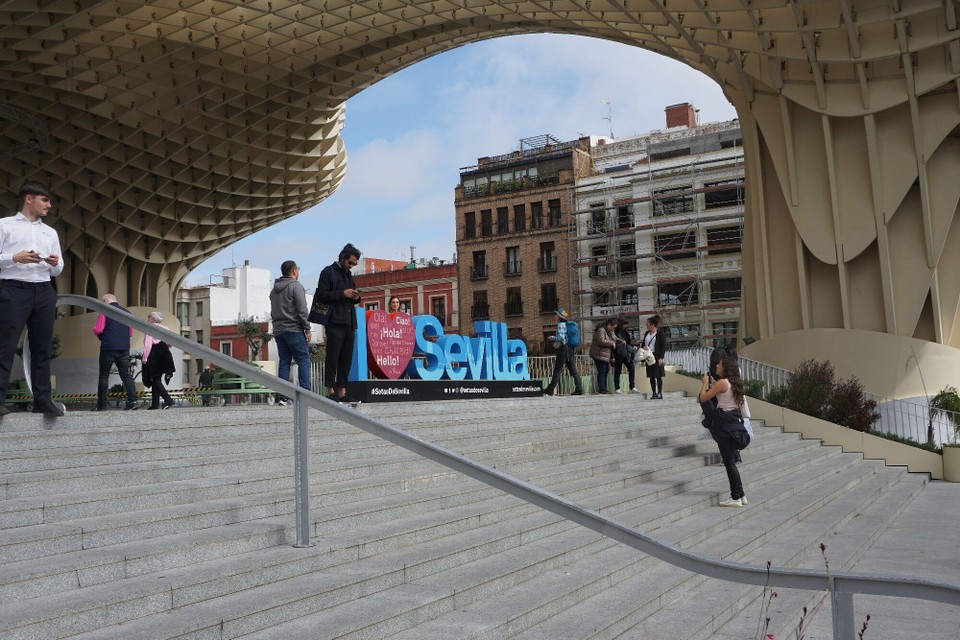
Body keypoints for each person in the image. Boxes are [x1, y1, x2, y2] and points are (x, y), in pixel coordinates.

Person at [0, 181, 64, 418]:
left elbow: (60, 269)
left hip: (44, 290)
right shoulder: (4, 226)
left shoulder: (50, 232)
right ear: (29, 199)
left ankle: (42, 400)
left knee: (42, 349)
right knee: (4, 346)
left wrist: (55, 264)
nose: (49, 205)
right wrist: (13, 258)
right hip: (14, 289)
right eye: (44, 200)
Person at [698, 352, 750, 507]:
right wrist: (715, 384)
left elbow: (703, 398)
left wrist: (704, 384)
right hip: (734, 422)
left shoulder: (722, 383)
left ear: (725, 367)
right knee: (732, 461)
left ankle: (735, 497)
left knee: (729, 463)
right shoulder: (734, 383)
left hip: (724, 426)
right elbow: (725, 396)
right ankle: (741, 495)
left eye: (719, 364)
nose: (716, 366)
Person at [315, 243, 362, 403]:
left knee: (346, 358)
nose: (352, 266)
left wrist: (356, 296)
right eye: (350, 263)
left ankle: (342, 391)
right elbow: (321, 295)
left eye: (354, 264)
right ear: (342, 258)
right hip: (334, 321)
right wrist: (343, 293)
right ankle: (331, 391)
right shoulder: (328, 272)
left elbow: (351, 295)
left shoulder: (349, 276)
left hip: (349, 321)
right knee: (333, 357)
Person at [270, 260, 312, 406]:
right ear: (294, 271)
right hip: (294, 329)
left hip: (279, 331)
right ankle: (306, 394)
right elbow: (302, 309)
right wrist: (307, 328)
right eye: (297, 270)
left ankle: (283, 397)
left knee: (284, 362)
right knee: (303, 360)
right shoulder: (296, 286)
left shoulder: (274, 290)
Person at [91, 294, 139, 411]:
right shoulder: (127, 313)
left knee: (103, 376)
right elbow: (130, 333)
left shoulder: (105, 311)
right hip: (124, 349)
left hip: (108, 348)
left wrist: (104, 338)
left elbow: (97, 329)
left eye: (103, 302)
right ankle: (133, 401)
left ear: (107, 301)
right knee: (126, 376)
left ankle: (101, 405)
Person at [542, 308, 583, 396]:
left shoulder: (561, 325)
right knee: (573, 370)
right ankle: (579, 388)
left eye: (556, 315)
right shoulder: (569, 325)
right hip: (571, 349)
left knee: (557, 370)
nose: (555, 316)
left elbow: (560, 338)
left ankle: (550, 389)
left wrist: (552, 338)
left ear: (559, 316)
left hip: (563, 349)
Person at [142, 311, 175, 410]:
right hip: (165, 352)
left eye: (149, 317)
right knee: (157, 378)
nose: (147, 319)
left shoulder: (150, 328)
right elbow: (170, 342)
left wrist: (145, 358)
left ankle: (168, 399)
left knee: (154, 378)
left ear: (153, 319)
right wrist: (166, 348)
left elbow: (148, 344)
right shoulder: (166, 328)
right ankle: (155, 404)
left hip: (154, 353)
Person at [640, 314, 667, 399]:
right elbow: (643, 344)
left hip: (657, 355)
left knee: (658, 375)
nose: (646, 325)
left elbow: (664, 346)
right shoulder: (647, 333)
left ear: (652, 325)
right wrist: (643, 347)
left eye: (647, 324)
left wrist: (661, 358)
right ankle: (654, 393)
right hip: (649, 355)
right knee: (651, 375)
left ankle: (659, 392)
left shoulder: (660, 333)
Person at [588, 318, 617, 394]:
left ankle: (604, 387)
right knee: (602, 371)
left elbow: (614, 338)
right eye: (613, 327)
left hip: (604, 355)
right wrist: (612, 343)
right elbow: (602, 341)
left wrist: (620, 340)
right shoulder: (601, 330)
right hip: (598, 354)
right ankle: (602, 388)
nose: (613, 329)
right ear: (609, 325)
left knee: (606, 370)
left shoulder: (608, 332)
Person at [612, 318, 638, 394]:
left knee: (631, 368)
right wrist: (613, 355)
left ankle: (632, 387)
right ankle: (617, 387)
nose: (626, 326)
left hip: (627, 354)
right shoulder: (616, 332)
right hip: (619, 353)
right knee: (618, 370)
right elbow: (614, 342)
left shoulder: (626, 332)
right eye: (624, 324)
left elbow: (629, 342)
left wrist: (633, 346)